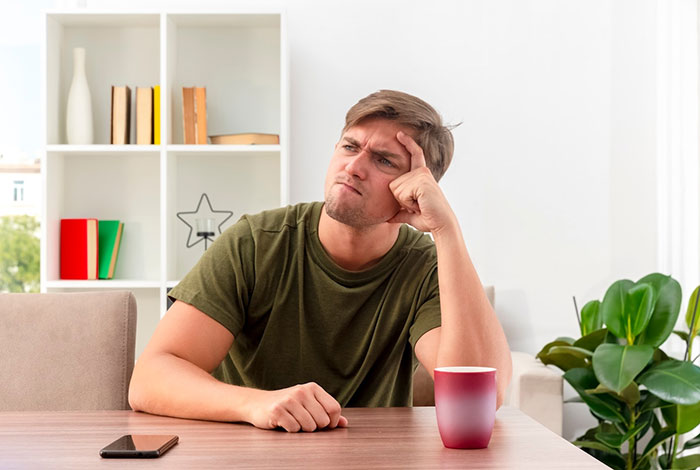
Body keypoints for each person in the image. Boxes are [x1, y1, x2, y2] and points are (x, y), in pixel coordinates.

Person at [128, 90, 512, 433]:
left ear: (416, 187)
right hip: (248, 454)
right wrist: (255, 403)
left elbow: (478, 399)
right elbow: (149, 379)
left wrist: (447, 231)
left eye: (383, 160)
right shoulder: (256, 243)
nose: (354, 166)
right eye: (349, 147)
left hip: (372, 459)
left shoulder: (427, 268)